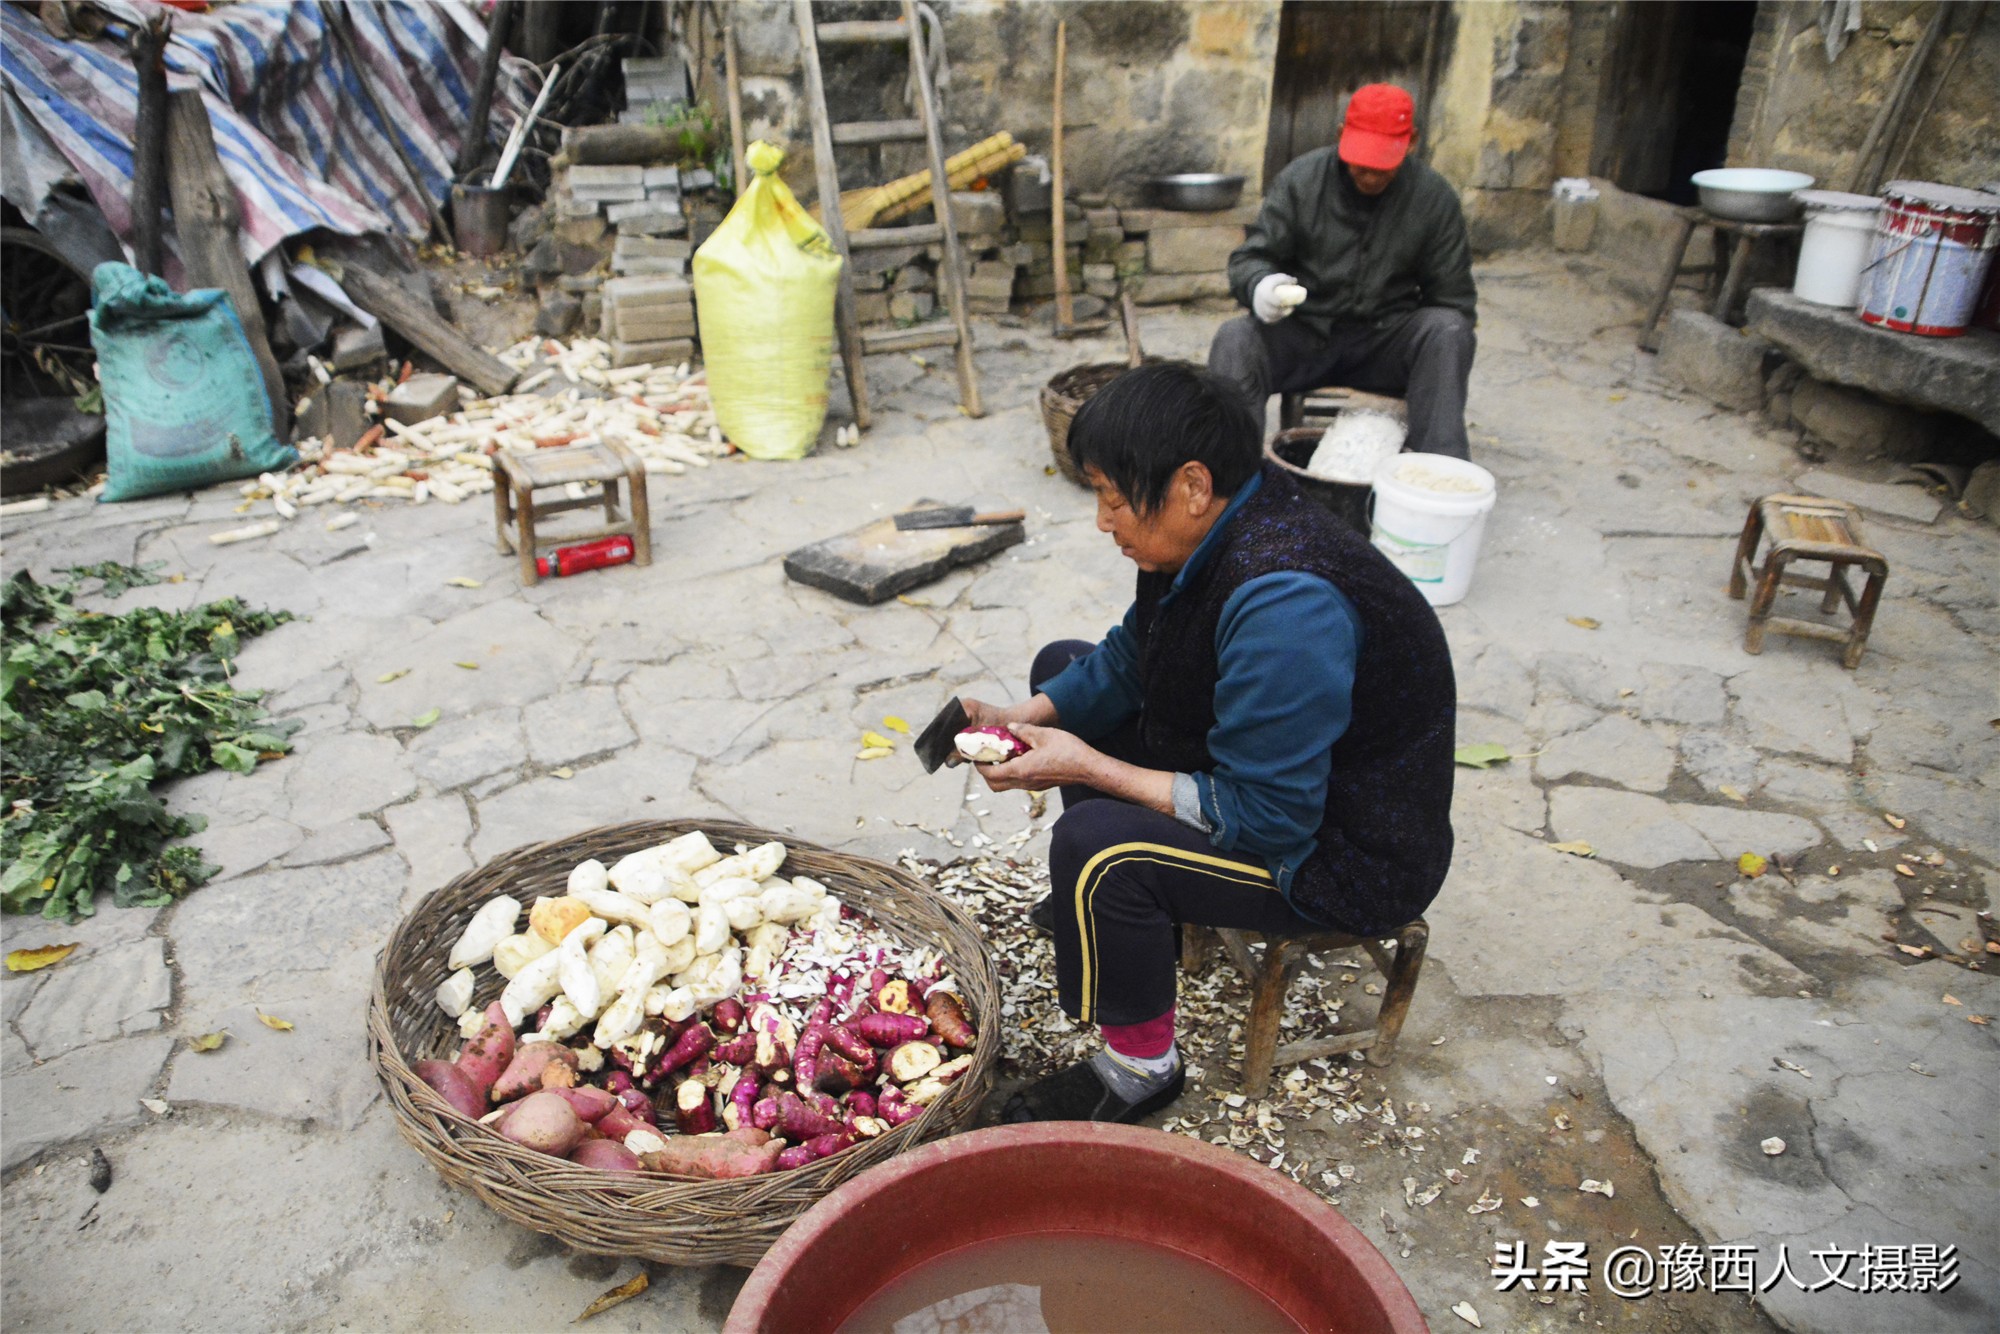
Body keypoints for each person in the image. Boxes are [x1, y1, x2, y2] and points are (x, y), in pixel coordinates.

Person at [961, 362, 1456, 1124]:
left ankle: (1140, 1068)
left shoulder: (1286, 601)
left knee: (1099, 848)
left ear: (1192, 485)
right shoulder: (1214, 523)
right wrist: (1017, 715)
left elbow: (1268, 817)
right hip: (1273, 779)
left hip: (1339, 849)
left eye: (1114, 497)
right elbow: (1134, 656)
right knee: (1063, 672)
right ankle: (1125, 919)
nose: (1103, 521)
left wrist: (1091, 767)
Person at [1208, 82, 1478, 459]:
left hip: (1384, 344)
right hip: (1306, 336)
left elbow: (1453, 302)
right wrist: (1260, 286)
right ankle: (1230, 478)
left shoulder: (1434, 200)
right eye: (1360, 163)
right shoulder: (1301, 181)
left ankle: (1437, 474)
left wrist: (1439, 345)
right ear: (1340, 137)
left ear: (1412, 142)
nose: (1368, 176)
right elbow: (1250, 259)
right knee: (1236, 339)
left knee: (1449, 331)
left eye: (1381, 165)